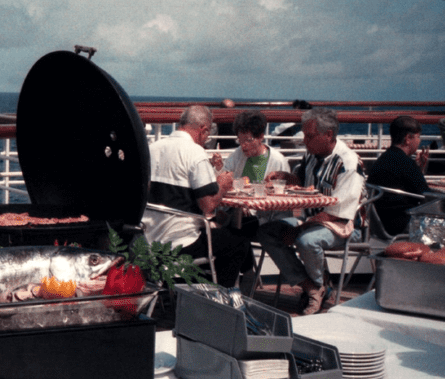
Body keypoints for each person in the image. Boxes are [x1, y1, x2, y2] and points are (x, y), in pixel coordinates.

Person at [256, 107, 365, 315]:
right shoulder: (312, 155)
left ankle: (318, 288)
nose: (305, 141)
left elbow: (338, 211)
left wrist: (299, 229)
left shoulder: (347, 162)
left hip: (344, 226)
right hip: (313, 220)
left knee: (307, 240)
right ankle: (313, 287)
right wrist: (284, 176)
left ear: (329, 135)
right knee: (266, 232)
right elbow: (302, 182)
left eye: (310, 136)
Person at [141, 105, 252, 288]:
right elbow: (208, 205)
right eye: (207, 135)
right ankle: (219, 299)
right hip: (180, 243)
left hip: (149, 240)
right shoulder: (195, 153)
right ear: (203, 130)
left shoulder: (152, 149)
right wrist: (222, 187)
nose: (206, 139)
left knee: (222, 232)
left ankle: (191, 286)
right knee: (238, 242)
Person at [367, 115, 431, 235]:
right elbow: (426, 195)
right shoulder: (406, 163)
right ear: (408, 138)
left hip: (380, 223)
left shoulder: (383, 159)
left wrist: (419, 169)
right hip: (401, 224)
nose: (419, 141)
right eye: (418, 137)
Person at [212, 109, 291, 183]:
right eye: (240, 140)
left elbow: (286, 187)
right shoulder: (237, 155)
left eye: (249, 140)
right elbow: (222, 180)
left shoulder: (278, 161)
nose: (243, 145)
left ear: (261, 137)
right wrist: (219, 167)